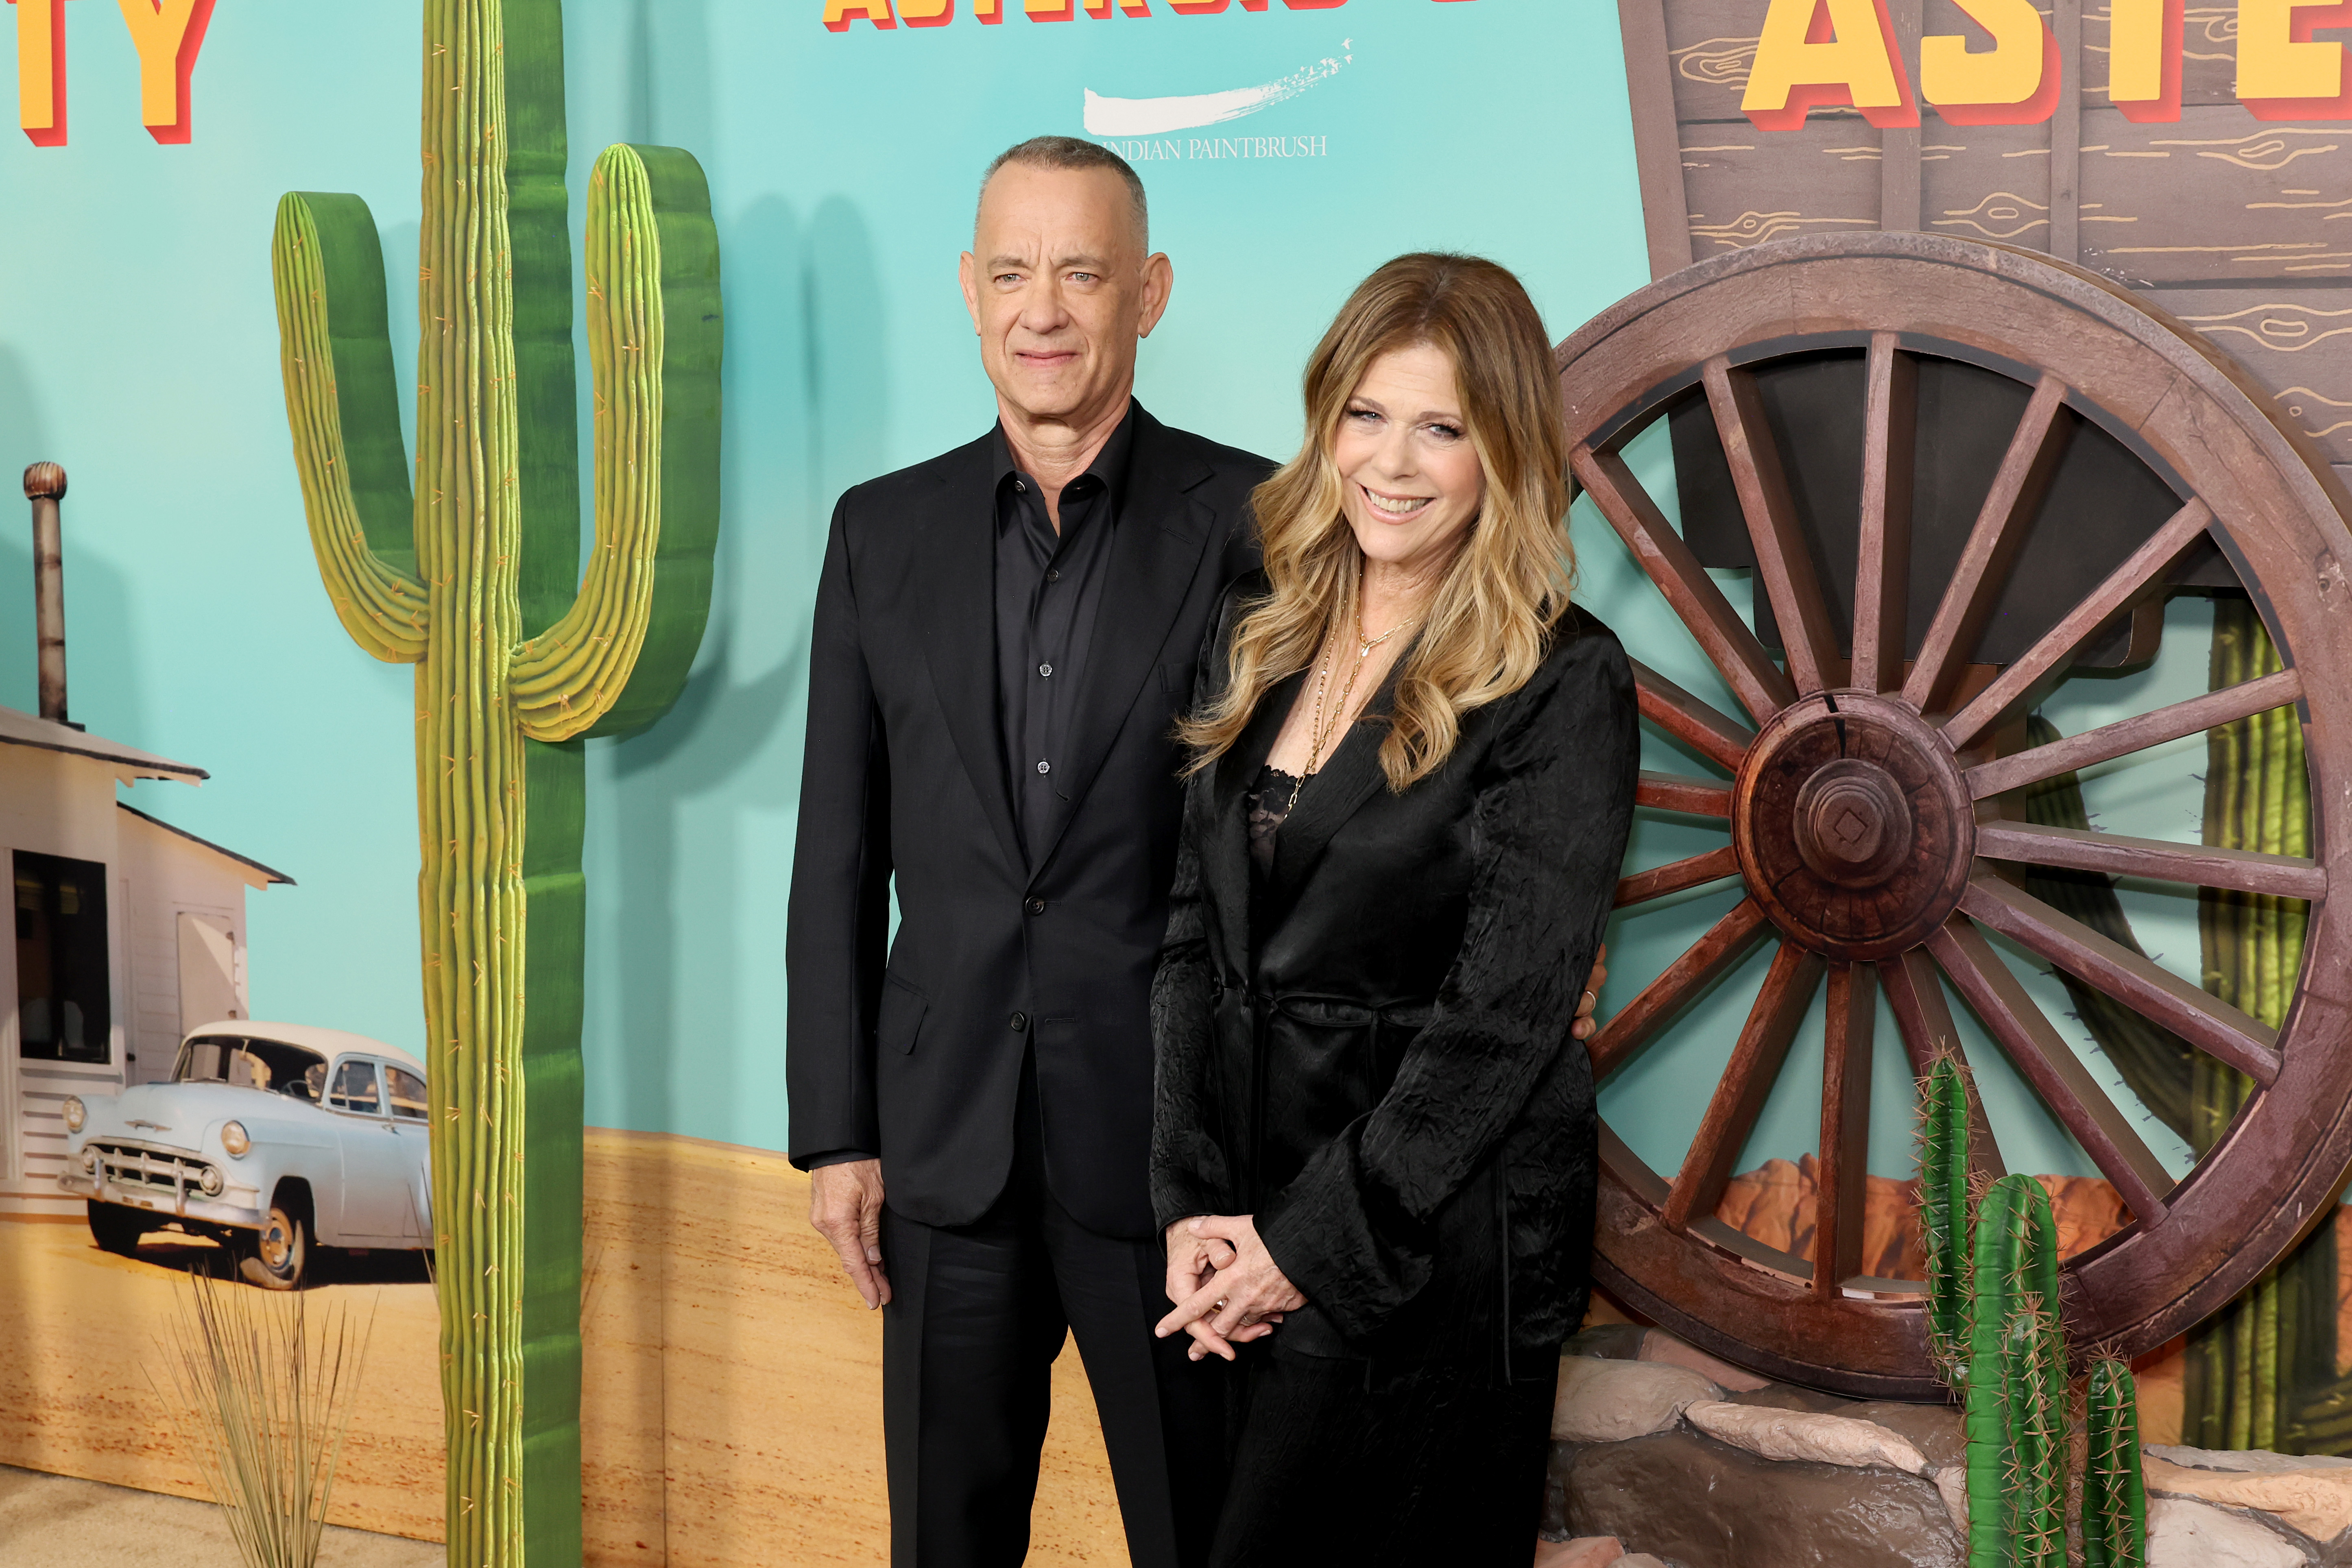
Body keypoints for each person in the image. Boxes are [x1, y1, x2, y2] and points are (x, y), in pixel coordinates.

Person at [786, 142, 1607, 1564]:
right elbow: (838, 854)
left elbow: (1442, 956)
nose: (1044, 309)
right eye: (1011, 272)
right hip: (957, 1147)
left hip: (1193, 1174)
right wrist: (838, 1127)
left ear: (1148, 292)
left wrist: (1237, 1206)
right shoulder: (880, 533)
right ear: (969, 294)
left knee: (1207, 1537)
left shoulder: (1263, 533)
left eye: (1084, 272)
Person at [1150, 253, 1639, 1565]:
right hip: (1236, 1234)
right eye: (1367, 415)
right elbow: (1196, 929)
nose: (1395, 462)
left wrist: (1305, 1246)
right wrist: (1190, 1201)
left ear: (1506, 453)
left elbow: (1503, 1022)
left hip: (1425, 1246)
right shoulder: (1258, 625)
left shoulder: (1563, 678)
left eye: (1444, 428)